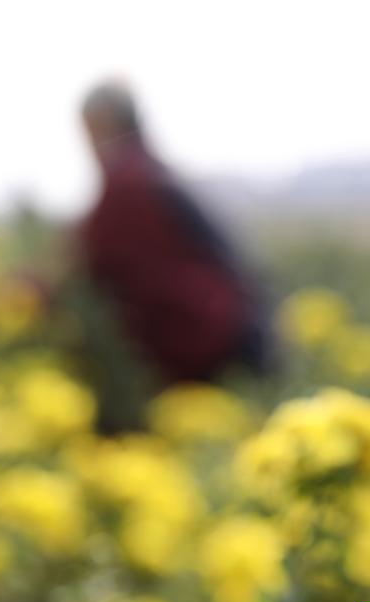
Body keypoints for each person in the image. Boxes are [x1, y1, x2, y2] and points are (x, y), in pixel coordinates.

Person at [75, 81, 269, 384]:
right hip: (231, 334)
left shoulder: (128, 183)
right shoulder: (151, 171)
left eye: (88, 131)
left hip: (208, 346)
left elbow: (83, 263)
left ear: (103, 123)